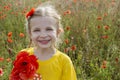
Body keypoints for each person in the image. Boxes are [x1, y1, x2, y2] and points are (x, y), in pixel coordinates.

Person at [22, 2, 77, 80]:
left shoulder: (64, 61)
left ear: (58, 32)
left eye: (49, 29)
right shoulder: (23, 56)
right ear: (30, 34)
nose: (43, 35)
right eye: (37, 30)